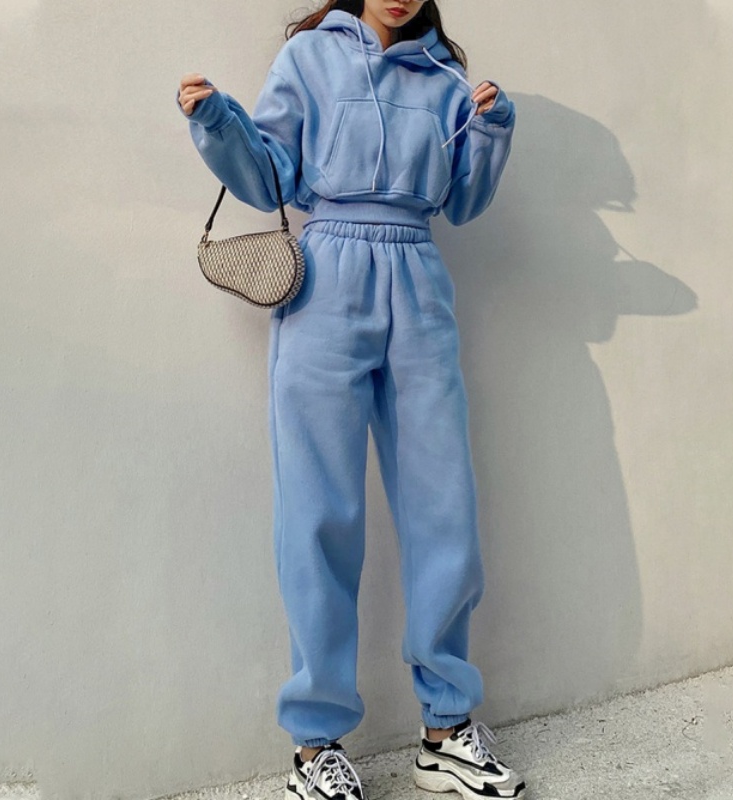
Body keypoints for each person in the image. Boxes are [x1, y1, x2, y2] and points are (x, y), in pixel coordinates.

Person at [177, 1, 523, 798]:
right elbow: (271, 177)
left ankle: (446, 728)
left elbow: (463, 202)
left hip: (418, 279)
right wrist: (218, 120)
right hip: (325, 278)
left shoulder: (445, 75)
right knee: (318, 512)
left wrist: (492, 129)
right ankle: (316, 745)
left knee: (443, 506)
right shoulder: (309, 58)